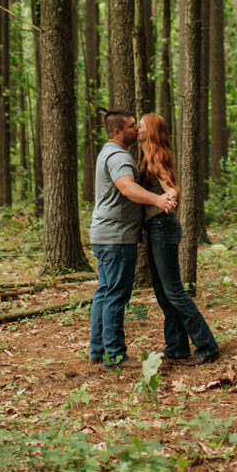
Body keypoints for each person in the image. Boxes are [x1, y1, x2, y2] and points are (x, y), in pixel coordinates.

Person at [89, 109, 177, 367]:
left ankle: (98, 352)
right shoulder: (119, 157)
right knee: (115, 295)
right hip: (116, 236)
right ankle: (114, 356)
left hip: (106, 234)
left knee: (105, 293)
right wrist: (158, 199)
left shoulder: (108, 152)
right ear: (117, 132)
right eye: (130, 126)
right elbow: (127, 187)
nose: (136, 130)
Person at [138, 113, 219, 366]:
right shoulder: (145, 157)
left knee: (173, 290)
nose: (136, 129)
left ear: (149, 130)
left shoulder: (156, 157)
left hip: (163, 226)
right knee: (163, 292)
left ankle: (206, 345)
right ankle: (176, 347)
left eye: (139, 126)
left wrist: (169, 199)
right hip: (155, 227)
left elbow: (171, 187)